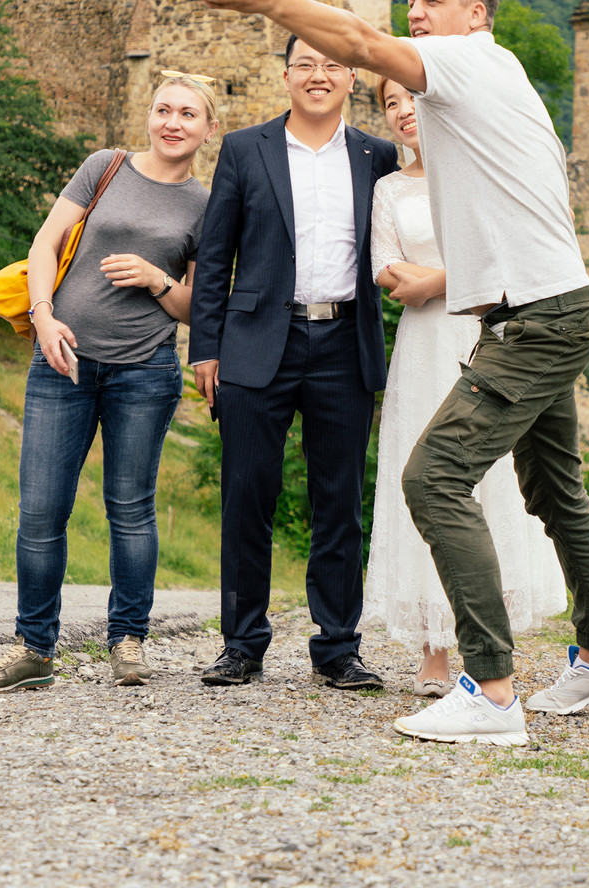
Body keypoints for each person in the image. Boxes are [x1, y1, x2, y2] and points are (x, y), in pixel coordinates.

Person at [194, 0, 589, 744]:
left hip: (534, 318)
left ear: (477, 16)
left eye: (433, 0)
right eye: (411, 0)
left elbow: (363, 43)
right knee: (553, 489)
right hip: (541, 308)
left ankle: (493, 692)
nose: (416, 11)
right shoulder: (487, 82)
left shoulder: (468, 61)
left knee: (432, 480)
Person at [0, 73, 217, 693]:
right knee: (41, 510)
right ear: (149, 113)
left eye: (188, 114)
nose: (172, 122)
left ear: (209, 129)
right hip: (63, 361)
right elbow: (47, 242)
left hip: (146, 371)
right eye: (163, 108)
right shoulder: (104, 166)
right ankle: (34, 648)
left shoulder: (207, 205)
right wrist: (43, 316)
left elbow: (200, 307)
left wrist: (156, 280)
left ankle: (128, 642)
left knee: (131, 511)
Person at [190, 37, 399, 690]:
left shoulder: (378, 156)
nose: (319, 75)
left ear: (353, 79)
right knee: (248, 493)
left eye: (333, 65)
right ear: (285, 76)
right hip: (256, 343)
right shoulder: (245, 150)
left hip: (343, 343)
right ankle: (243, 644)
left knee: (340, 501)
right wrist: (206, 347)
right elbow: (215, 257)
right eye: (306, 64)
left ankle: (338, 647)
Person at [363, 77, 567, 695]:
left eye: (410, 99)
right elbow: (385, 268)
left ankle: (491, 640)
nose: (402, 112)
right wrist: (439, 280)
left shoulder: (478, 173)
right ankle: (433, 649)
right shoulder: (387, 190)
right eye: (391, 104)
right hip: (423, 348)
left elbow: (508, 262)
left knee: (492, 481)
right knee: (421, 477)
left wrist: (437, 282)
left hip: (484, 339)